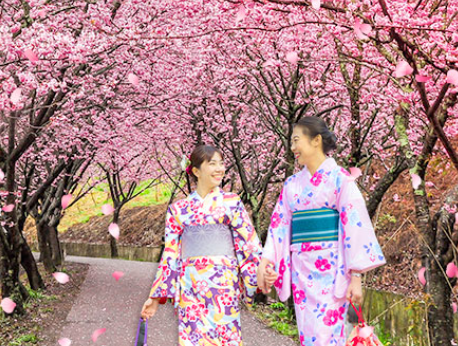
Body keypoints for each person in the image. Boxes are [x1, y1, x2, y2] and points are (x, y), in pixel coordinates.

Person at [257, 116, 386, 346]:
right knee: (310, 336)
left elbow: (354, 228)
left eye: (297, 140)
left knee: (327, 337)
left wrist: (356, 276)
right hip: (301, 271)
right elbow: (279, 226)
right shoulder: (291, 185)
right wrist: (267, 261)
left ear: (316, 140)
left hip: (333, 270)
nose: (293, 147)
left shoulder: (340, 180)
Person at [140, 145, 263, 346]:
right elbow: (170, 254)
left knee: (226, 339)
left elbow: (248, 244)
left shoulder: (232, 202)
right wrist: (155, 298)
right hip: (191, 286)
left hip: (223, 286)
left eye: (221, 163)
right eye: (212, 163)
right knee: (192, 340)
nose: (220, 169)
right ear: (196, 171)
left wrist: (261, 274)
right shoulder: (178, 210)